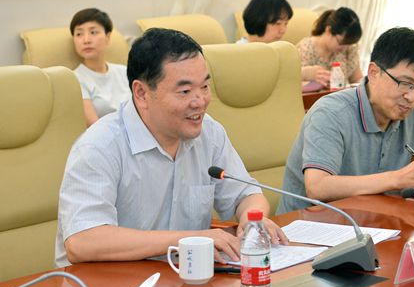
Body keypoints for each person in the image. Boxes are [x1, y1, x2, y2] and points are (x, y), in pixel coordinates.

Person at [55, 28, 287, 267]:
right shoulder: (99, 146)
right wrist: (186, 240)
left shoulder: (209, 132)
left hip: (184, 276)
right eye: (185, 91)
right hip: (108, 283)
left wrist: (252, 220)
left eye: (204, 87)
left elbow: (246, 195)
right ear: (142, 93)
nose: (200, 101)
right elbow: (82, 241)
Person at [278, 27, 414, 213]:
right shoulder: (331, 113)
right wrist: (398, 179)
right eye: (405, 83)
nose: (412, 97)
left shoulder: (413, 112)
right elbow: (318, 187)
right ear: (373, 73)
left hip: (375, 220)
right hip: (311, 226)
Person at [70, 8, 131, 126]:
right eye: (79, 34)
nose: (86, 40)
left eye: (93, 32)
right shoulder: (75, 79)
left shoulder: (124, 71)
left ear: (108, 37)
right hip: (105, 135)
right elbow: (95, 127)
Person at [297, 7, 363, 86]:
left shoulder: (350, 48)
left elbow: (356, 79)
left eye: (348, 44)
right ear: (328, 30)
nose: (344, 48)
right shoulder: (306, 49)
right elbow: (294, 84)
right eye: (341, 42)